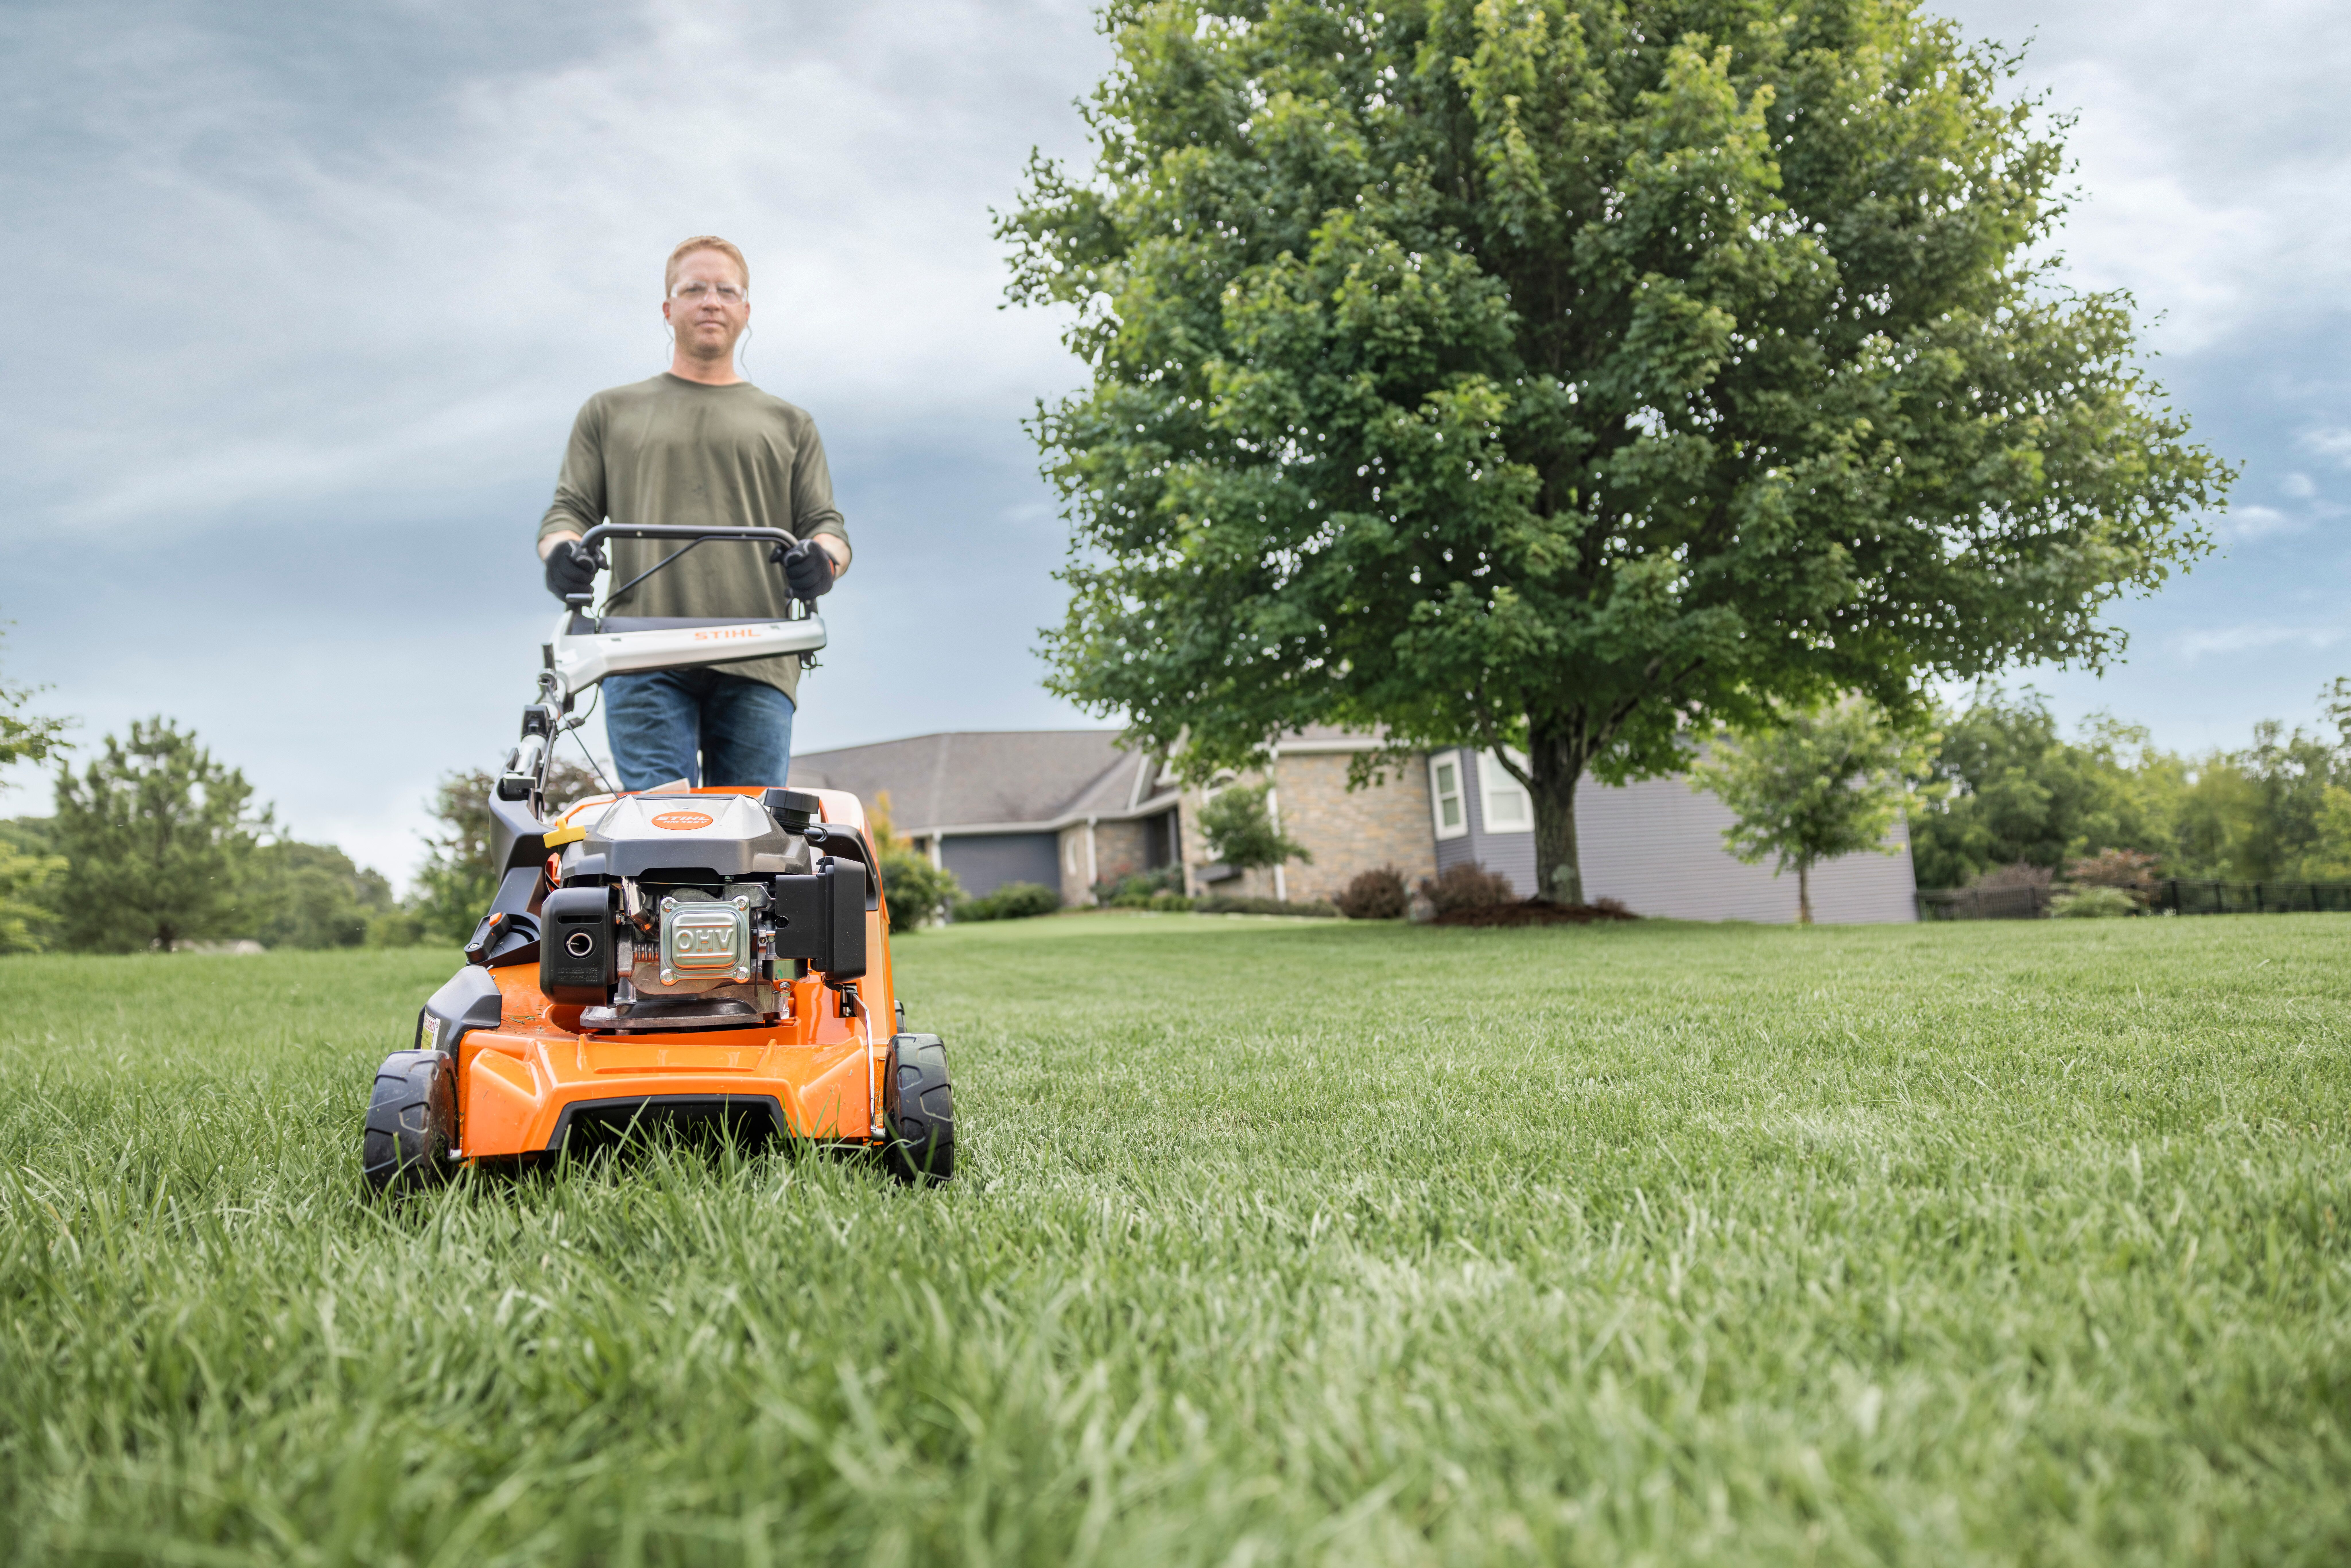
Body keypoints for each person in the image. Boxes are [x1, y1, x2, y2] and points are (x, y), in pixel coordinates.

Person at [535, 235, 852, 791]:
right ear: (668, 308)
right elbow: (569, 512)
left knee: (752, 837)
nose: (711, 301)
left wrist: (822, 562)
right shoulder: (610, 411)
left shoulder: (789, 423)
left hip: (759, 651)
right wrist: (562, 553)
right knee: (662, 835)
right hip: (640, 652)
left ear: (746, 310)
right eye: (694, 289)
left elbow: (825, 526)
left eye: (726, 290)